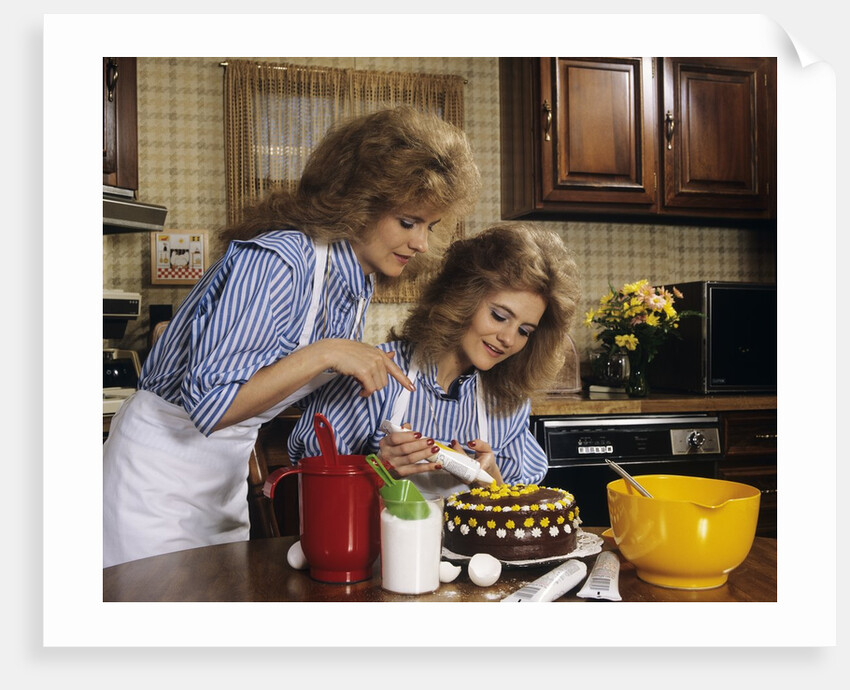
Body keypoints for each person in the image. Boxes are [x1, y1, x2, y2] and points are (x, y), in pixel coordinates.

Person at [103, 107, 481, 567]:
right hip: (154, 479)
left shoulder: (353, 283)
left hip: (224, 480)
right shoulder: (281, 259)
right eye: (408, 221)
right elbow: (211, 406)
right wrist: (326, 352)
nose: (421, 243)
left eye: (430, 226)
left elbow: (286, 390)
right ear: (358, 201)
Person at [287, 222, 581, 497]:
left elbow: (518, 516)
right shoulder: (380, 374)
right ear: (462, 299)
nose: (508, 338)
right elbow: (314, 485)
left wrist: (492, 482)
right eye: (499, 316)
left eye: (524, 331)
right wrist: (377, 469)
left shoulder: (506, 401)